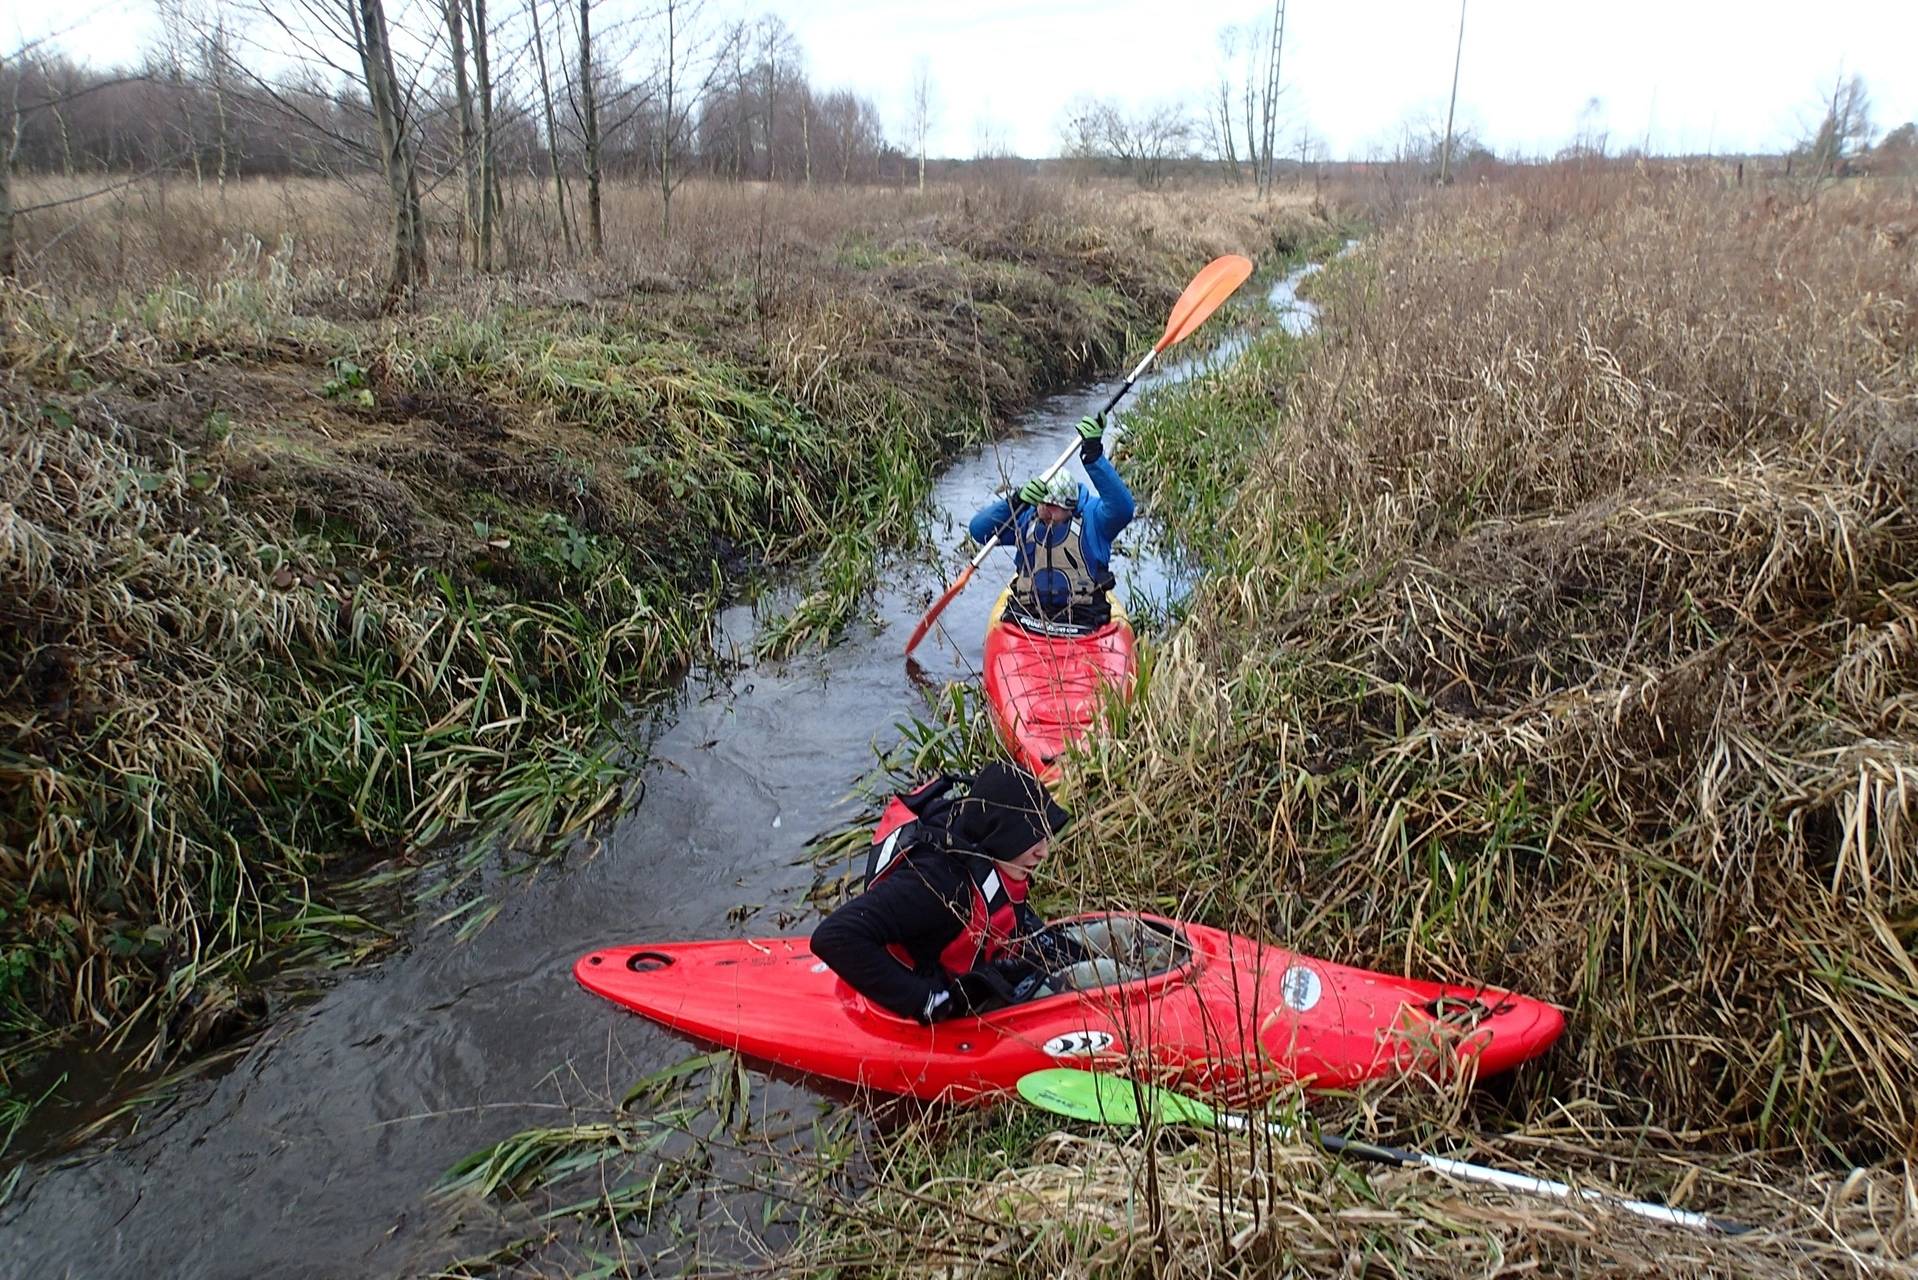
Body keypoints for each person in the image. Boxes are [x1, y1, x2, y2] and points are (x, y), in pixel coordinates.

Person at [810, 762, 1074, 1024]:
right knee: (1109, 977)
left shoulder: (984, 839)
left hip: (995, 965)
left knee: (1114, 932)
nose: (1044, 852)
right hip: (946, 1002)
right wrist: (924, 1000)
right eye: (1031, 838)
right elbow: (833, 936)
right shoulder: (936, 885)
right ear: (1001, 833)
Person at [968, 414, 1135, 631]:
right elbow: (979, 530)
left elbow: (1123, 509)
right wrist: (1015, 500)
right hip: (1027, 620)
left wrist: (1093, 455)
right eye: (1041, 503)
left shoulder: (1095, 521)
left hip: (1084, 622)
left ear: (1069, 505)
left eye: (1052, 505)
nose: (1044, 510)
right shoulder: (1026, 518)